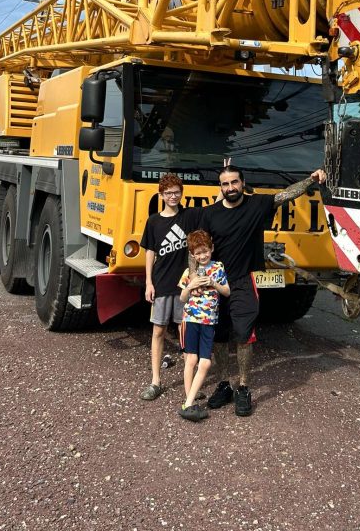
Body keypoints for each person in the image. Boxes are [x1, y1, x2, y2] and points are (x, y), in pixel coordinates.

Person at [201, 163, 327, 417]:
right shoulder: (210, 214)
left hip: (243, 282)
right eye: (225, 184)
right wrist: (194, 278)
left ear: (242, 183)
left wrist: (310, 180)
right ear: (220, 188)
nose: (230, 188)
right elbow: (197, 247)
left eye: (234, 182)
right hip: (216, 282)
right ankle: (224, 384)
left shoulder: (256, 205)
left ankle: (244, 387)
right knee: (219, 337)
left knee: (244, 334)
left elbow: (286, 194)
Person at [139, 173, 201, 400]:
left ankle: (191, 383)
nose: (173, 196)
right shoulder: (153, 221)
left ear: (181, 193)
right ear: (161, 195)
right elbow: (149, 252)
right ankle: (156, 381)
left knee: (187, 334)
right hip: (161, 283)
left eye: (176, 192)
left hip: (185, 286)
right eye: (168, 193)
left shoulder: (190, 216)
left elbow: (216, 206)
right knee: (158, 331)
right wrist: (148, 282)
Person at [176, 230, 229, 422]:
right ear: (192, 255)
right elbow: (182, 298)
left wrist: (213, 283)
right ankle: (189, 401)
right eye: (198, 253)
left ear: (211, 249)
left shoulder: (218, 267)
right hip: (191, 319)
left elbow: (227, 292)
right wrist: (190, 286)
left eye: (205, 251)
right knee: (191, 360)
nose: (202, 256)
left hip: (209, 321)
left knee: (205, 362)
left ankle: (188, 403)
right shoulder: (189, 273)